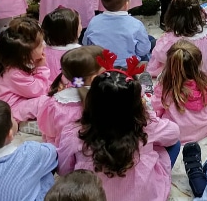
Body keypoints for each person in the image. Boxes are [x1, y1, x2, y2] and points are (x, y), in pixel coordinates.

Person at [56, 71, 180, 201]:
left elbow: (63, 170)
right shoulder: (147, 126)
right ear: (137, 104)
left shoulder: (75, 132)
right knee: (173, 144)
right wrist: (149, 114)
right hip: (142, 195)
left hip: (93, 196)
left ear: (91, 100)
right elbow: (174, 133)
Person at [151, 41, 207, 143]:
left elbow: (156, 107)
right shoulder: (206, 81)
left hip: (179, 135)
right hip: (205, 127)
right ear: (198, 64)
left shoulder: (165, 88)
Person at [39, 46, 104, 145]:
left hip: (61, 150)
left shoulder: (55, 102)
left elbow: (49, 132)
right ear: (94, 78)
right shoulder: (107, 98)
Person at [0, 18, 50, 122]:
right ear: (24, 54)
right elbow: (39, 90)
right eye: (40, 45)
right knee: (46, 101)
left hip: (15, 103)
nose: (44, 46)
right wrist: (41, 68)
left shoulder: (12, 65)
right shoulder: (14, 74)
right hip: (10, 112)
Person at [82, 0, 152, 68]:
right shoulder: (136, 24)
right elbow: (143, 50)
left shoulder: (94, 21)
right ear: (126, 4)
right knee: (150, 43)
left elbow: (86, 43)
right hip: (127, 65)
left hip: (101, 64)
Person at [149, 0, 207, 77]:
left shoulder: (173, 39)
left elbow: (160, 55)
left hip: (183, 75)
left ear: (172, 15)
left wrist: (162, 39)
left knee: (152, 43)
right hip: (206, 71)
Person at [41, 7, 82, 79]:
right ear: (71, 30)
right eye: (80, 24)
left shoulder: (41, 51)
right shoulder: (81, 53)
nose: (81, 27)